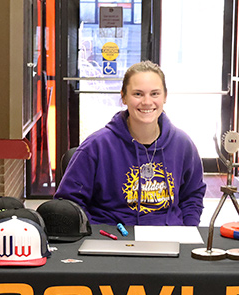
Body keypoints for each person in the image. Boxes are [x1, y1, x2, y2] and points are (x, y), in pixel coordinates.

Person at [55, 61, 206, 226]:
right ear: (124, 97)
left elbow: (193, 195)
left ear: (165, 96)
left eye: (155, 93)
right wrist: (95, 233)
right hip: (113, 237)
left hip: (169, 235)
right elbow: (69, 204)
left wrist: (189, 230)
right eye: (138, 94)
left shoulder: (183, 145)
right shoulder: (95, 146)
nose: (147, 102)